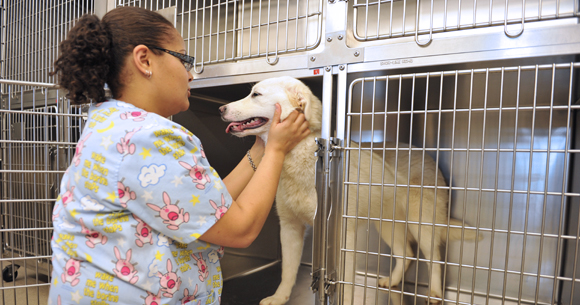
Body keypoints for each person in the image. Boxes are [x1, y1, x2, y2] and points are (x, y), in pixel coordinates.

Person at [48, 6, 310, 305]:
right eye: (184, 59)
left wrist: (261, 147)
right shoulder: (150, 138)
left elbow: (205, 207)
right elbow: (240, 231)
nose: (190, 74)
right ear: (144, 60)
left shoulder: (111, 123)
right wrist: (276, 149)